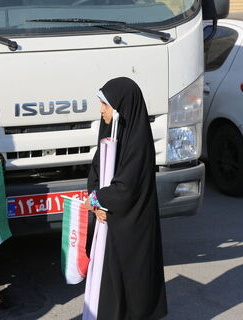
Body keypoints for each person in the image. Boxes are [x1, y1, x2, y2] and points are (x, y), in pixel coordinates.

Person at [85, 77, 167, 319]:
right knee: (108, 279)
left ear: (121, 107)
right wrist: (96, 200)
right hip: (110, 217)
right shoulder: (109, 131)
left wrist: (99, 200)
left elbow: (127, 188)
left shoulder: (138, 142)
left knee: (131, 280)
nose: (101, 111)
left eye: (105, 105)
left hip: (133, 222)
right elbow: (96, 172)